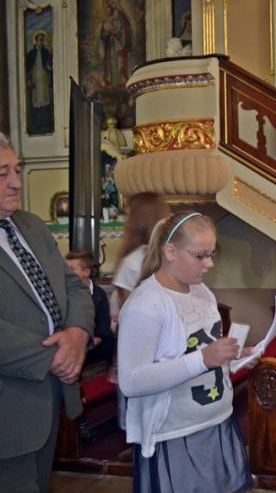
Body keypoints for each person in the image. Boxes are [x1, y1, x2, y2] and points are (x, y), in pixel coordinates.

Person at [118, 211, 256, 492]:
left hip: (217, 423)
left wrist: (234, 358)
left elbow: (202, 352)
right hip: (175, 435)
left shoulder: (201, 291)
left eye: (212, 254)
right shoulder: (146, 303)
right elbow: (132, 381)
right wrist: (204, 359)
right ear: (170, 252)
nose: (209, 264)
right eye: (200, 256)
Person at [0, 132, 94, 492]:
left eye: (17, 169)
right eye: (3, 173)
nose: (16, 182)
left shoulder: (31, 225)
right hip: (9, 404)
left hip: (48, 398)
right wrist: (55, 355)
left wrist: (77, 334)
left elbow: (73, 287)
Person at [109, 192, 170, 429]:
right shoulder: (152, 258)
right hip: (155, 343)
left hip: (147, 344)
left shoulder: (137, 260)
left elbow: (128, 315)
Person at [65, 250, 114, 367]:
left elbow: (103, 323)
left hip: (92, 343)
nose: (66, 272)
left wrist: (94, 339)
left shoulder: (99, 294)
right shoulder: (62, 293)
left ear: (86, 272)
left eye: (71, 269)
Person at [98, 0, 133, 88]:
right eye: (109, 3)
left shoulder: (121, 17)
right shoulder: (107, 18)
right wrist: (105, 34)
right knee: (110, 64)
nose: (111, 5)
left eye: (113, 3)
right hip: (110, 45)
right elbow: (102, 34)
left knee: (119, 63)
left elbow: (124, 31)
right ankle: (111, 82)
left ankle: (121, 81)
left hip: (119, 45)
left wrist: (115, 33)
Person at [25, 30, 54, 135]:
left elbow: (49, 67)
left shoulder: (46, 52)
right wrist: (28, 80)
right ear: (36, 41)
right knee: (36, 103)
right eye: (40, 40)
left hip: (44, 81)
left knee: (45, 102)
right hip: (35, 82)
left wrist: (51, 56)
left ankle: (46, 123)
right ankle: (37, 124)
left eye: (43, 40)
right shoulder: (31, 54)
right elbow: (28, 69)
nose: (41, 42)